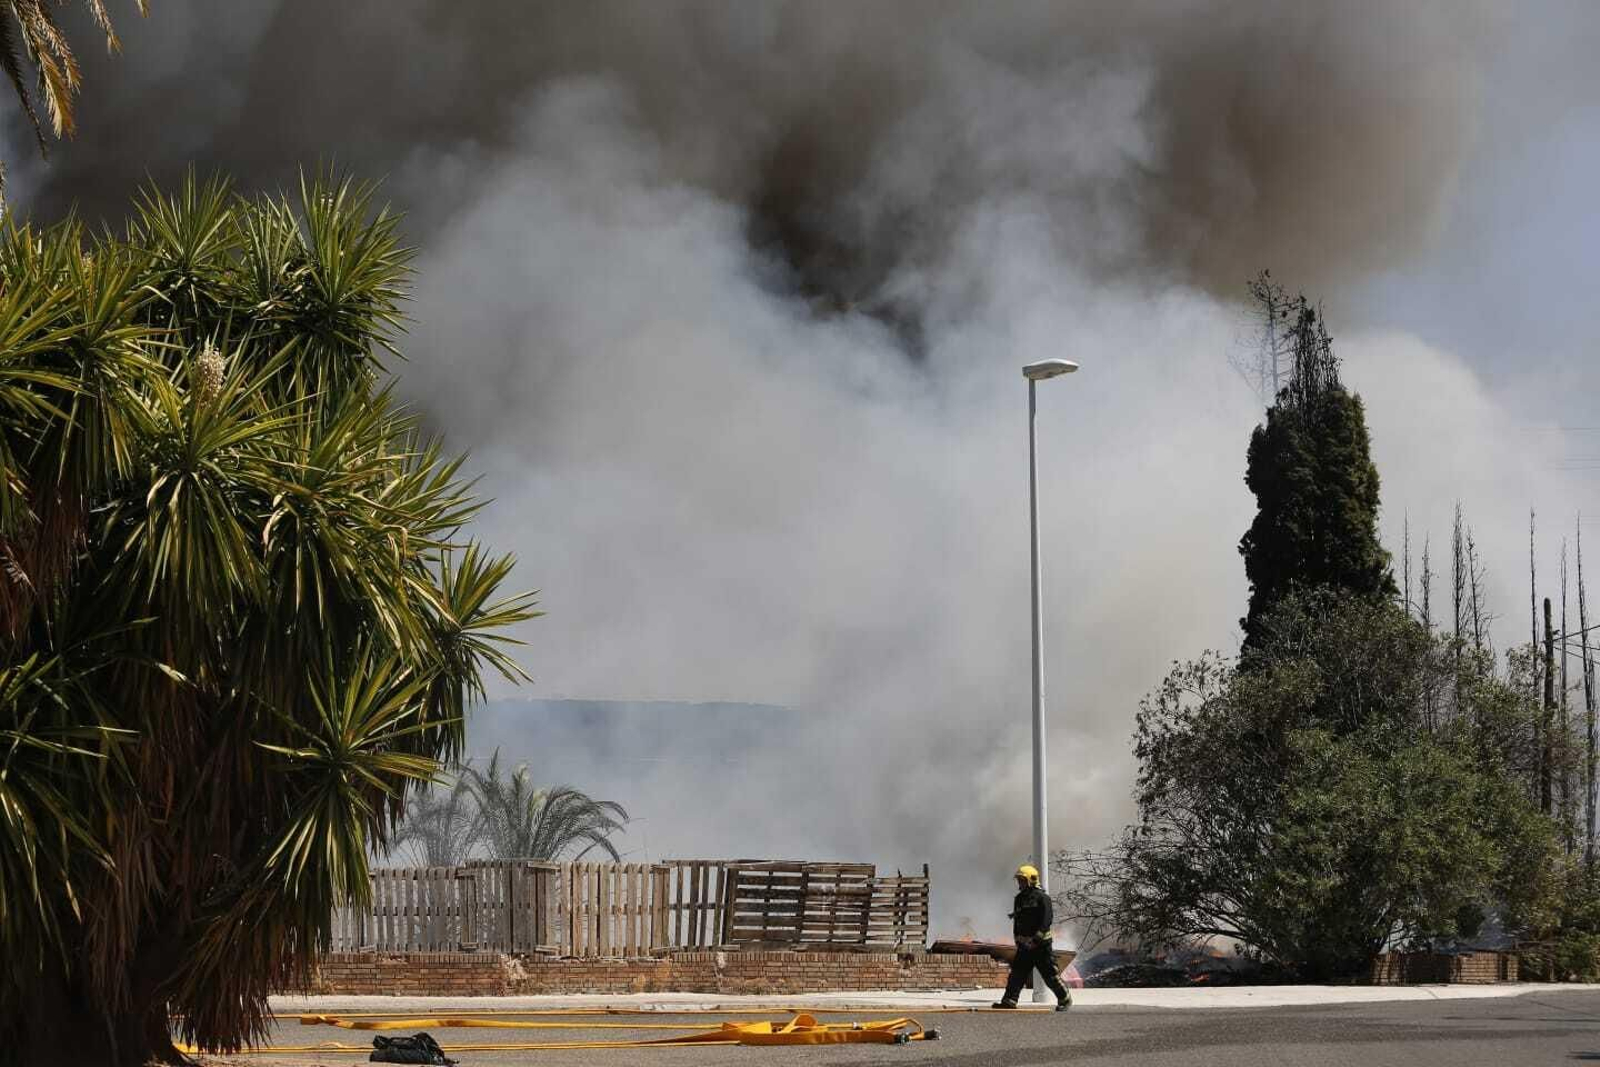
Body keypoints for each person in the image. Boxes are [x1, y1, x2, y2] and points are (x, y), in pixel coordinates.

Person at [993, 864, 1071, 1011]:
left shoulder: (1043, 898)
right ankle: (1009, 1000)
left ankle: (1064, 999)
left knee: (1050, 975)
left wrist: (1037, 939)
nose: (1019, 883)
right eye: (1019, 880)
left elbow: (1047, 920)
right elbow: (1017, 919)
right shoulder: (1019, 899)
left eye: (1022, 880)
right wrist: (1017, 938)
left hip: (1041, 945)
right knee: (1017, 974)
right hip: (1025, 946)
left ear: (1031, 880)